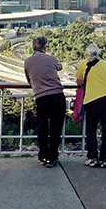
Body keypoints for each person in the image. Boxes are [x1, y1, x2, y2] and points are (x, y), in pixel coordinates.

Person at [24, 36, 66, 168]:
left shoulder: (27, 62)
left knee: (42, 127)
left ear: (33, 47)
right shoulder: (51, 58)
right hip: (57, 96)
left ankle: (42, 155)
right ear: (45, 47)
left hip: (41, 97)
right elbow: (60, 67)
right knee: (55, 127)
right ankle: (52, 157)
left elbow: (29, 81)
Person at [75, 43, 106, 168]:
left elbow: (79, 82)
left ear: (86, 54)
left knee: (91, 130)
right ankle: (104, 159)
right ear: (98, 54)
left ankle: (92, 157)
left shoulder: (83, 63)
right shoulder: (104, 63)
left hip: (92, 100)